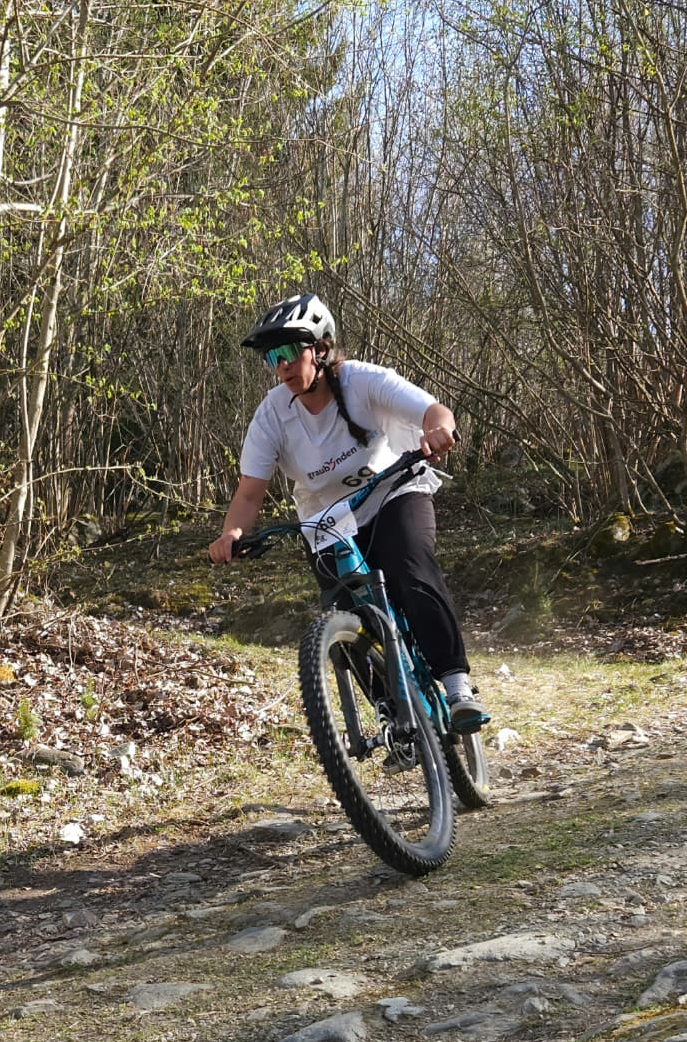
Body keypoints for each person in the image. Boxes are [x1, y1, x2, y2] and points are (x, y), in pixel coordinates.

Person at [207, 293, 488, 731]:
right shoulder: (271, 416)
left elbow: (435, 411)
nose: (282, 365)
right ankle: (394, 716)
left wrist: (438, 430)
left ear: (320, 349)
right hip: (327, 521)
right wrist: (232, 533)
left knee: (411, 568)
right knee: (344, 620)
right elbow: (248, 493)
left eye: (289, 351)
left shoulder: (362, 381)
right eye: (272, 358)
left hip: (394, 491)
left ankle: (456, 686)